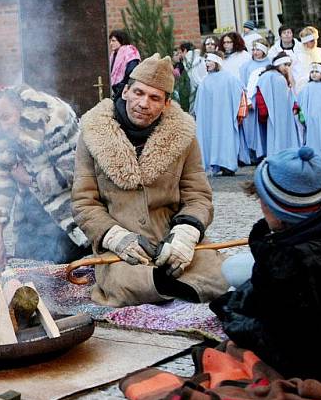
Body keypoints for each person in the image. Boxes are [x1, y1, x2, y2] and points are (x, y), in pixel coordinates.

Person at [72, 54, 227, 307]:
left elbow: (198, 196)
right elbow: (83, 202)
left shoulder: (184, 137)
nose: (144, 103)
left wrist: (186, 234)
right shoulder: (92, 135)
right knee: (129, 287)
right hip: (122, 247)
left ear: (166, 104)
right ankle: (170, 288)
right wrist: (114, 237)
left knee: (220, 278)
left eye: (154, 98)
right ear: (125, 92)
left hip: (171, 239)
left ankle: (177, 283)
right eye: (139, 93)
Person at [211, 147, 321, 386]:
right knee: (234, 267)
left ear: (280, 210)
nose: (260, 204)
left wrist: (231, 312)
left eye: (262, 199)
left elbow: (290, 349)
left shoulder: (296, 266)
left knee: (233, 276)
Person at [0, 86, 91, 267]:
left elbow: (75, 169)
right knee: (30, 271)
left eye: (6, 117)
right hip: (32, 206)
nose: (3, 126)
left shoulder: (54, 116)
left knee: (73, 273)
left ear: (20, 107)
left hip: (71, 207)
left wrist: (30, 180)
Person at [195, 53, 248, 176]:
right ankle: (213, 163)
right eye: (206, 61)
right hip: (210, 118)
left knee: (225, 137)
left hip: (225, 116)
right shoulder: (205, 81)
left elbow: (240, 90)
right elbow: (199, 104)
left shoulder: (229, 78)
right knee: (212, 137)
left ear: (217, 62)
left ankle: (227, 164)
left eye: (209, 61)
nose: (207, 64)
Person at [253, 52, 302, 158]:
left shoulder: (282, 77)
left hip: (285, 114)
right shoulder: (269, 76)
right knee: (276, 136)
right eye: (285, 65)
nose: (287, 68)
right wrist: (264, 111)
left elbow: (291, 93)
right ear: (277, 64)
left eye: (289, 65)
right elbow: (262, 93)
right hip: (274, 113)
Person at [240, 40, 271, 161]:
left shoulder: (270, 63)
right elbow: (244, 83)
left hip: (266, 97)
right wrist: (247, 100)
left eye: (258, 49)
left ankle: (267, 150)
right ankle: (255, 154)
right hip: (253, 99)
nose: (255, 52)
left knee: (266, 126)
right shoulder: (247, 65)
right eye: (253, 50)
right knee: (253, 128)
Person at [294, 26, 321, 91]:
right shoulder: (299, 57)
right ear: (305, 42)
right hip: (308, 89)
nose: (315, 42)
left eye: (316, 39)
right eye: (311, 41)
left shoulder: (320, 52)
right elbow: (298, 77)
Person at [108, 29, 141, 99]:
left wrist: (122, 86)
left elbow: (131, 71)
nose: (111, 43)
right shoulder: (114, 55)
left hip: (126, 89)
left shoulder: (130, 52)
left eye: (113, 41)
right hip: (116, 90)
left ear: (121, 40)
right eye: (110, 41)